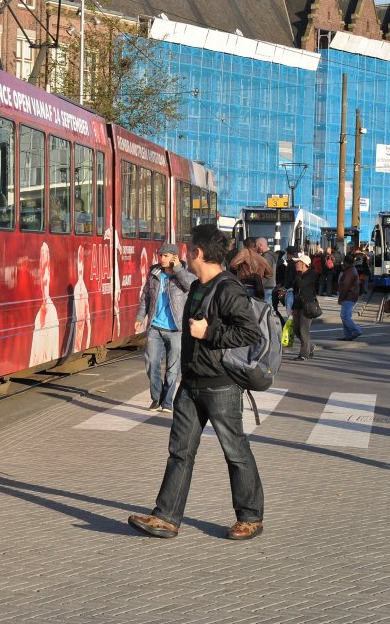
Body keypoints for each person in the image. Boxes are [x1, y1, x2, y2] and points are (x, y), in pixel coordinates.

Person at [128, 224, 265, 541]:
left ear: (198, 252)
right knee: (180, 452)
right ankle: (166, 517)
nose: (184, 254)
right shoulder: (197, 286)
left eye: (188, 249)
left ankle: (250, 517)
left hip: (221, 385)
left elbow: (250, 333)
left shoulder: (228, 288)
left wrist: (210, 332)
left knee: (235, 451)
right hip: (191, 384)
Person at [135, 243, 194, 412]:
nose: (162, 259)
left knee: (173, 369)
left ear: (175, 257)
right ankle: (157, 397)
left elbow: (190, 286)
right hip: (155, 327)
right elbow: (146, 296)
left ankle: (167, 402)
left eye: (166, 256)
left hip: (176, 329)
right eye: (160, 255)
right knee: (151, 363)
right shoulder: (154, 273)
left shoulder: (185, 273)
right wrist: (140, 317)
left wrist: (177, 269)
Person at [290, 254, 318, 361]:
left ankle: (304, 354)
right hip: (298, 305)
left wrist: (298, 273)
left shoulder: (311, 274)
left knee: (303, 330)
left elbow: (301, 285)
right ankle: (310, 346)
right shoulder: (298, 274)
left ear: (303, 264)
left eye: (298, 262)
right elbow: (295, 290)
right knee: (296, 329)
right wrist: (293, 307)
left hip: (307, 305)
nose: (296, 264)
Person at [337, 254, 362, 341]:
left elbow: (345, 286)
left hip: (349, 296)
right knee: (346, 316)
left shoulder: (349, 271)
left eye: (344, 263)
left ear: (347, 263)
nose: (343, 264)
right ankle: (347, 335)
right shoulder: (351, 270)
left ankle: (356, 330)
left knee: (345, 316)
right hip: (351, 295)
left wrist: (341, 298)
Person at [254, 237, 278, 305]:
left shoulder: (266, 256)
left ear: (260, 245)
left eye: (256, 245)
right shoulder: (271, 255)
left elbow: (266, 270)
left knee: (266, 305)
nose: (255, 248)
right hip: (270, 284)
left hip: (266, 285)